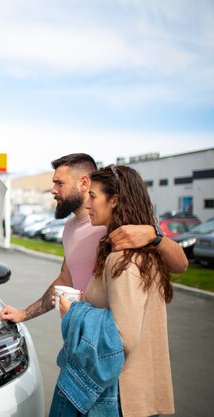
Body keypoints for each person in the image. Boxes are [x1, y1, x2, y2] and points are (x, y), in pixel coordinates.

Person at [0, 153, 187, 323]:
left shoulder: (115, 227)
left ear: (83, 183)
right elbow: (66, 279)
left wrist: (154, 235)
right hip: (81, 339)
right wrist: (24, 314)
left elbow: (181, 265)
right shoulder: (69, 227)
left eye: (59, 183)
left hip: (110, 346)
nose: (53, 190)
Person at [57, 164, 174, 416]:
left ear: (114, 201)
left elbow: (121, 337)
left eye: (93, 197)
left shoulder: (123, 259)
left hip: (120, 395)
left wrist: (74, 313)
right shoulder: (137, 250)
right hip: (132, 392)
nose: (88, 205)